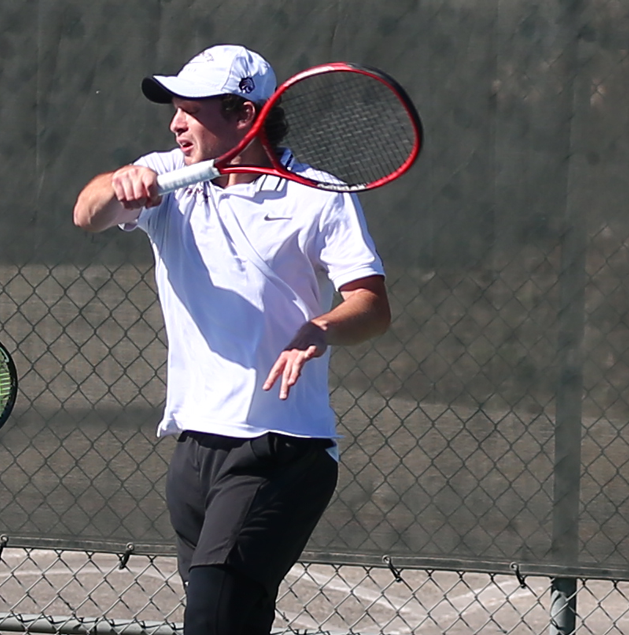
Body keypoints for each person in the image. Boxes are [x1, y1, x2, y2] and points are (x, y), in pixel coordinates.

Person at [72, 45, 391, 634]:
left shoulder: (316, 195)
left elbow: (371, 305)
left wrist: (319, 328)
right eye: (174, 109)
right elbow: (87, 214)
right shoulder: (167, 176)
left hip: (281, 448)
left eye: (191, 110)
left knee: (214, 620)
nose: (175, 123)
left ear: (244, 115)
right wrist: (120, 182)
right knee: (228, 620)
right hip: (195, 450)